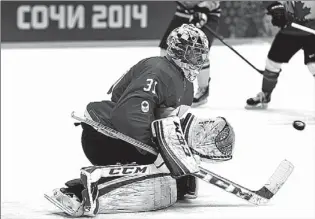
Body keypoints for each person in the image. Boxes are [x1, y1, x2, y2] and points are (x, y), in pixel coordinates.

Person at [45, 24, 235, 217]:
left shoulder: (185, 84)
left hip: (128, 135)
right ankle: (79, 191)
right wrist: (153, 151)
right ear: (179, 51)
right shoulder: (158, 71)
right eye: (194, 53)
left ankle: (178, 180)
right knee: (154, 177)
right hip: (106, 136)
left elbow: (166, 123)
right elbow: (128, 115)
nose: (199, 60)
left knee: (170, 176)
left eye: (201, 55)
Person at [246, 1, 315, 109]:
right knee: (272, 63)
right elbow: (275, 3)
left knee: (314, 66)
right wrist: (277, 10)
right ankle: (265, 94)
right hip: (290, 31)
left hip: (312, 32)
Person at [159, 1, 221, 107]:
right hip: (183, 11)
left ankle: (203, 88)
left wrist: (204, 9)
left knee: (199, 50)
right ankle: (168, 89)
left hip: (207, 12)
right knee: (167, 49)